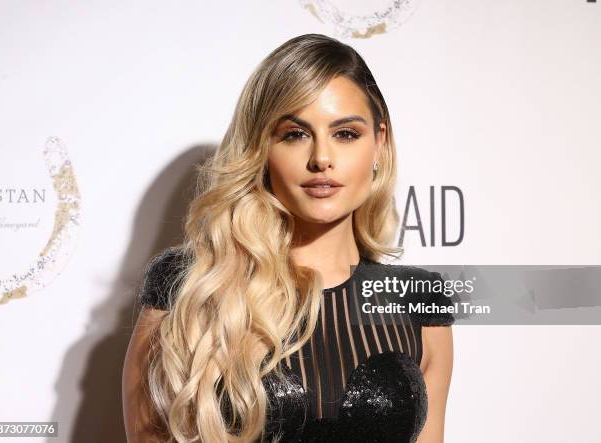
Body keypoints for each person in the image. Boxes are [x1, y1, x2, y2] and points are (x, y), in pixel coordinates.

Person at [122, 33, 454, 443]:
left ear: (379, 144)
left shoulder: (416, 302)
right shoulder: (189, 288)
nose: (322, 159)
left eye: (346, 134)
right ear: (262, 148)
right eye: (295, 134)